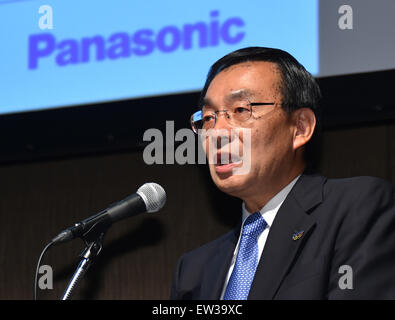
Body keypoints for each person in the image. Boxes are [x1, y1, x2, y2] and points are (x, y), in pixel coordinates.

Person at [170, 47, 395, 300]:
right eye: (209, 118)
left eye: (242, 110)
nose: (217, 132)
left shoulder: (357, 209)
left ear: (300, 128)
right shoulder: (193, 270)